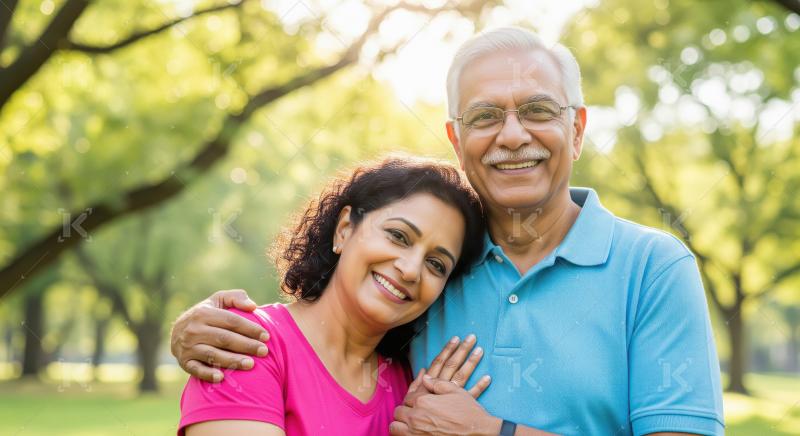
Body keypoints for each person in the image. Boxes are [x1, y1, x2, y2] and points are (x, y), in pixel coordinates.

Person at [171, 27, 725, 436]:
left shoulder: (654, 268)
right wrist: (201, 329)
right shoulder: (437, 274)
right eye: (485, 116)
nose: (513, 136)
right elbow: (325, 337)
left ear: (576, 130)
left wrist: (492, 433)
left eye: (538, 110)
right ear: (457, 141)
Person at [177, 157, 489, 435]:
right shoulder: (244, 342)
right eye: (398, 236)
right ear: (344, 229)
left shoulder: (412, 391)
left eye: (436, 264)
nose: (410, 270)